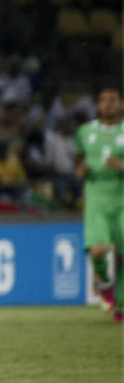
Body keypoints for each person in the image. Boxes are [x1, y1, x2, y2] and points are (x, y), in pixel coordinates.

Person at [74, 87, 123, 322]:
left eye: (113, 100)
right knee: (98, 249)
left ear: (121, 105)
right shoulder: (85, 132)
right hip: (96, 197)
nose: (107, 104)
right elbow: (80, 159)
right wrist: (81, 169)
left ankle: (121, 304)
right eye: (102, 100)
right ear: (97, 106)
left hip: (122, 198)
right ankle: (104, 282)